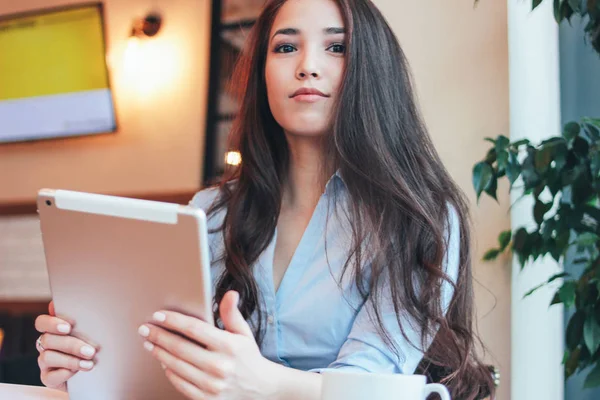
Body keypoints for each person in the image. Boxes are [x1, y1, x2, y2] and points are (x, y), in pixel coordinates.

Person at [34, 0, 496, 399]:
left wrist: (267, 386)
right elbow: (172, 362)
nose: (307, 66)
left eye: (336, 47)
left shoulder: (418, 215)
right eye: (286, 47)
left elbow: (374, 384)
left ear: (373, 69)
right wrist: (83, 364)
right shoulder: (209, 212)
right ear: (263, 73)